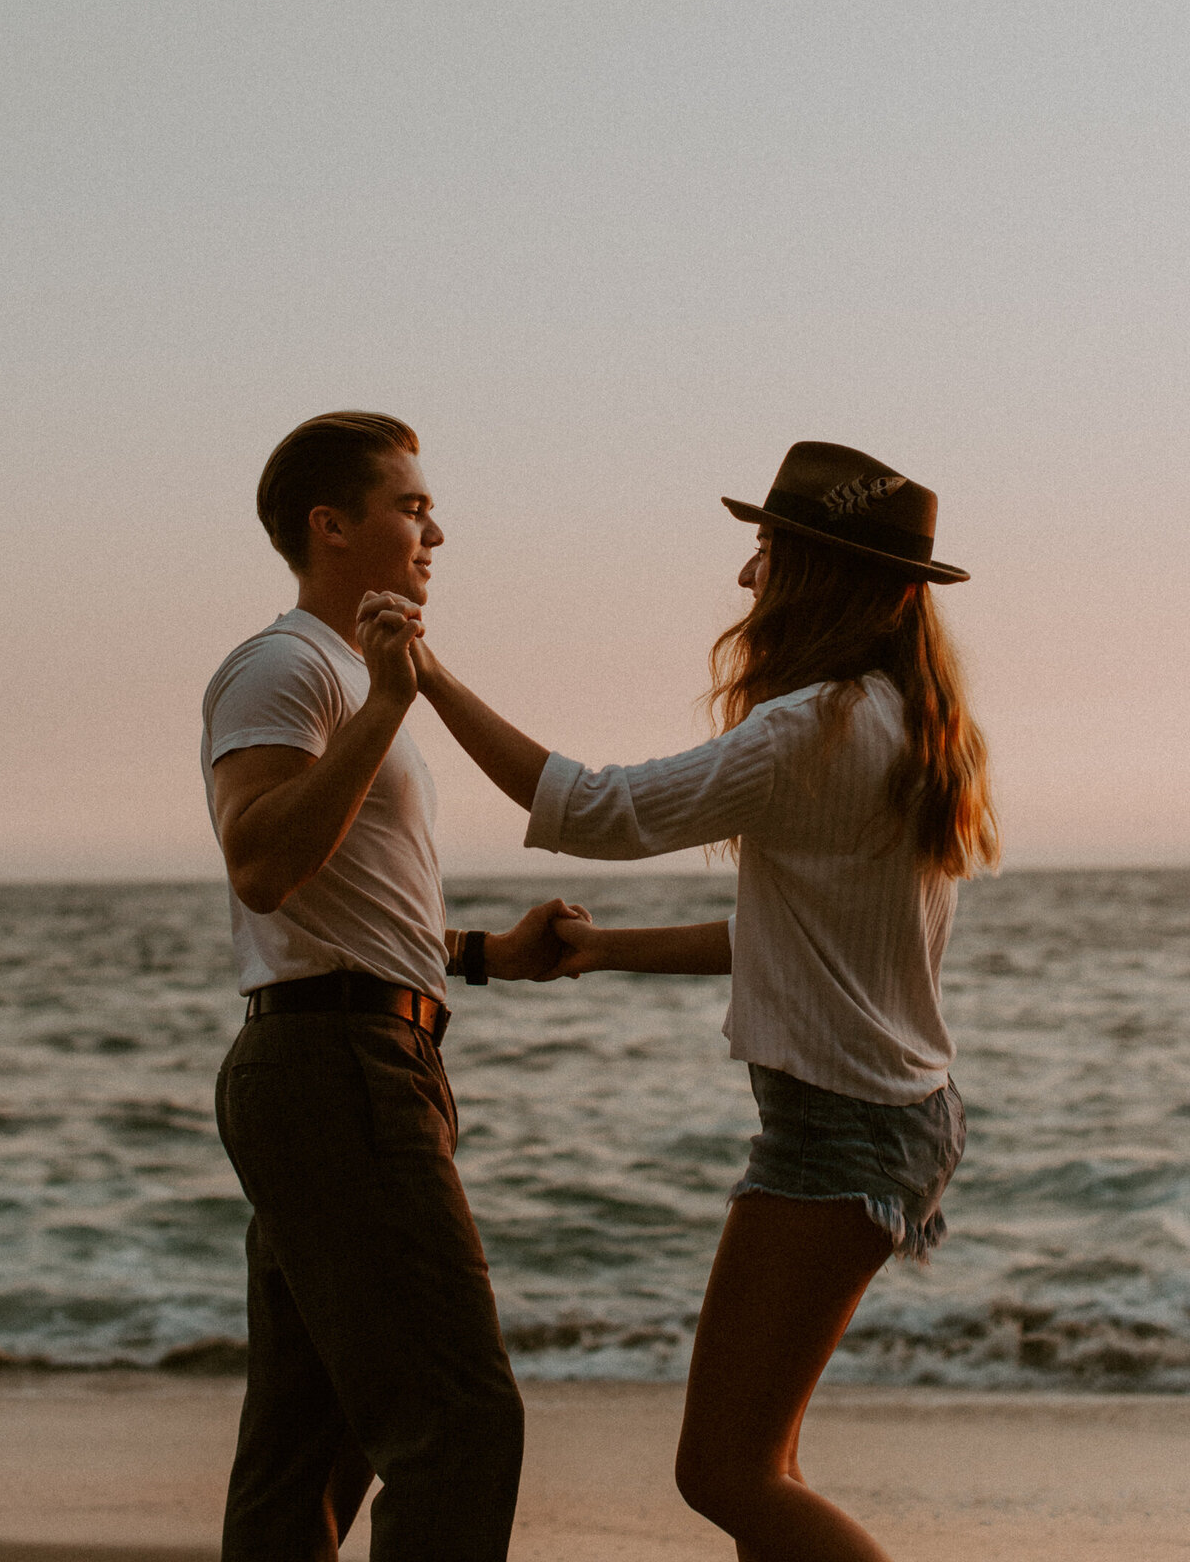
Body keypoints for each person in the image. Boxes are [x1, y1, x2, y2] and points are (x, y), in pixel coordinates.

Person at [373, 440, 999, 1562]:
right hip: (899, 1118)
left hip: (841, 1130)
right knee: (770, 1471)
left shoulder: (808, 730)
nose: (749, 581)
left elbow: (597, 811)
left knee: (726, 1473)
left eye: (767, 553)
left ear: (819, 576)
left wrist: (429, 677)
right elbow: (791, 945)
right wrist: (604, 953)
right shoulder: (906, 724)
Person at [201, 410, 585, 1562]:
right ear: (332, 526)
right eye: (410, 507)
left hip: (357, 1057)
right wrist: (384, 704)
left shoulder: (345, 675)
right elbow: (264, 864)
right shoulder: (286, 667)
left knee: (309, 1450)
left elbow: (351, 912)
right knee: (460, 1422)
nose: (436, 532)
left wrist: (483, 956)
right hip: (337, 1073)